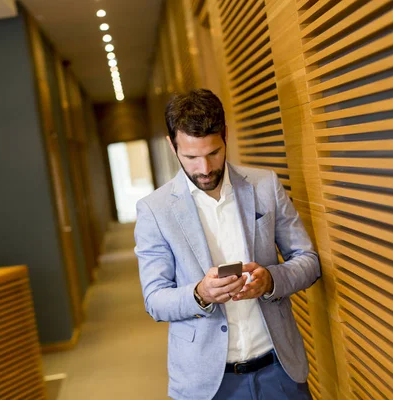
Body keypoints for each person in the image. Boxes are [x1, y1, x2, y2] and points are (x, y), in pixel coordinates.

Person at [134, 89, 320, 400]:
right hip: (208, 385)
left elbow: (308, 261)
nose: (205, 169)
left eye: (213, 153)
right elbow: (155, 299)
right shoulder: (154, 209)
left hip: (279, 371)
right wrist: (200, 294)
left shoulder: (265, 185)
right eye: (191, 157)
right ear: (172, 145)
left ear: (226, 136)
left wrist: (272, 279)